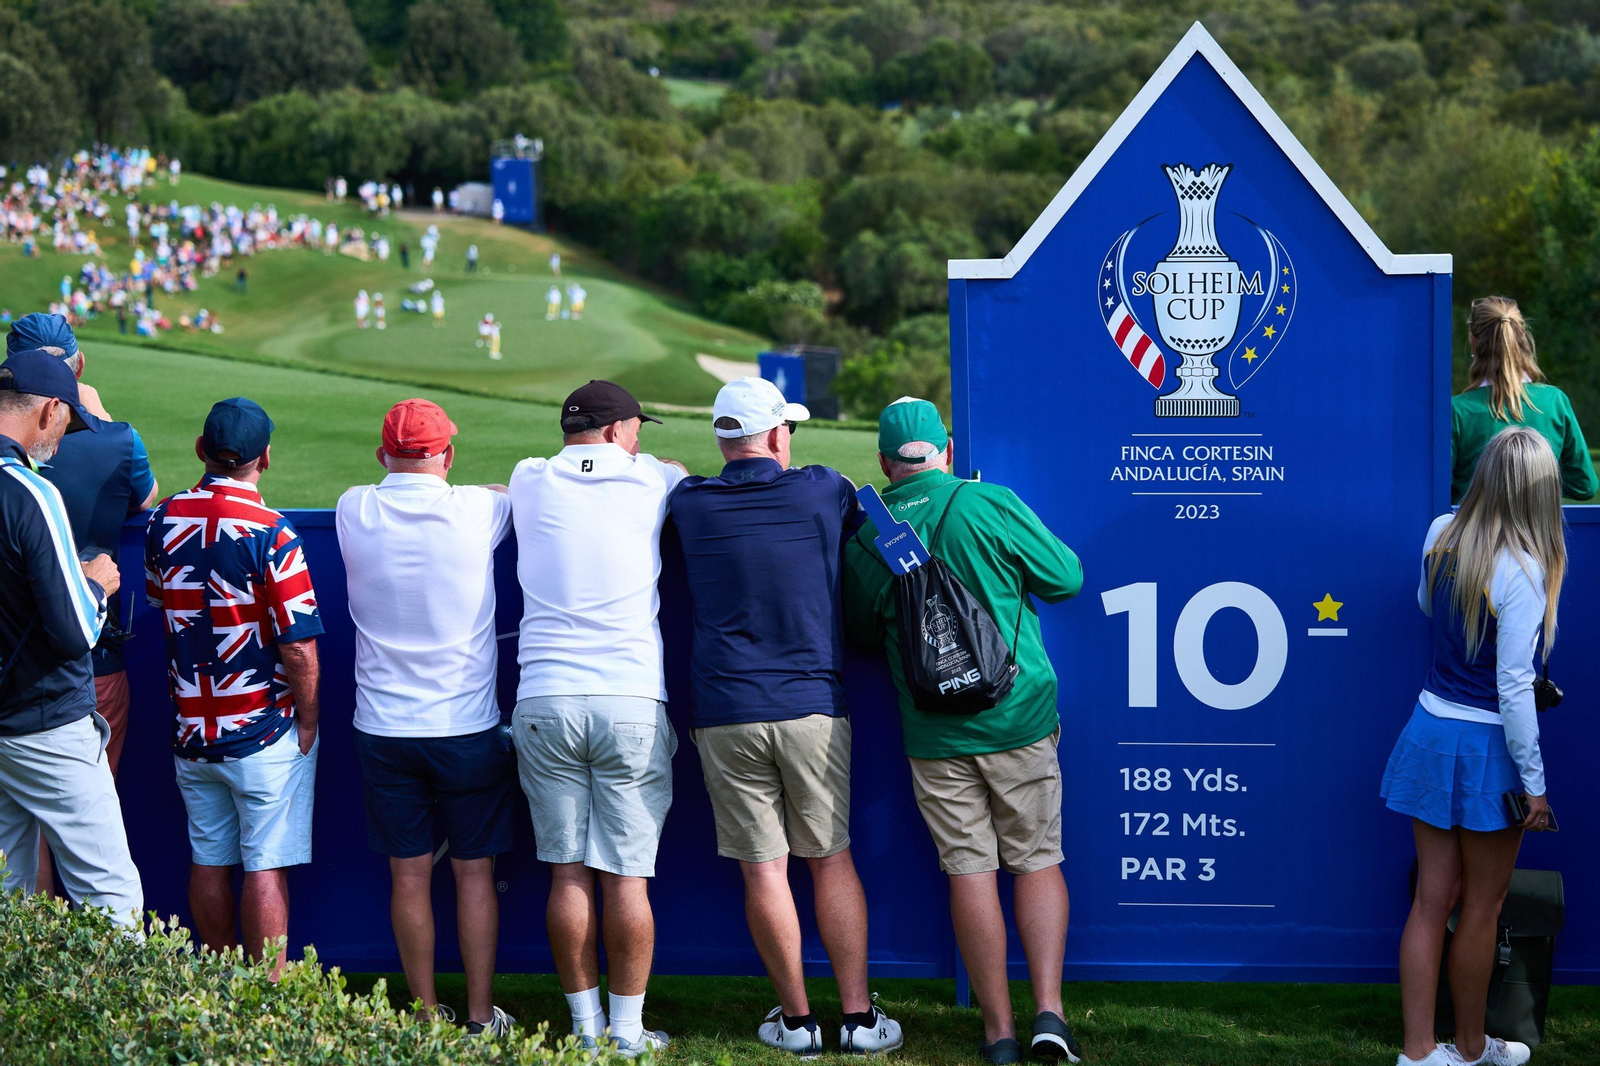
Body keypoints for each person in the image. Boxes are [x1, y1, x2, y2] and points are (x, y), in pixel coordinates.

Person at [841, 398, 1085, 1065]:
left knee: (969, 873)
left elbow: (862, 632)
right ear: (945, 448)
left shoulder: (869, 536)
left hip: (934, 736)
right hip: (1020, 720)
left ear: (887, 464)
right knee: (1037, 862)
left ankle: (997, 1034)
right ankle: (1050, 1017)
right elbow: (1067, 578)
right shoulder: (989, 503)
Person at [669, 377, 902, 1056]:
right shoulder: (821, 487)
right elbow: (874, 523)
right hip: (812, 709)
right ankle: (858, 1021)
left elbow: (678, 483)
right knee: (830, 860)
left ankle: (797, 1024)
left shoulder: (689, 503)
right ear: (777, 436)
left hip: (725, 711)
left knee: (764, 870)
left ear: (721, 438)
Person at [508, 380, 688, 1058]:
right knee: (627, 875)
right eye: (637, 426)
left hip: (545, 698)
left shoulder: (528, 479)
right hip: (629, 699)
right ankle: (628, 1032)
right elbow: (682, 477)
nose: (640, 436)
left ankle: (585, 1031)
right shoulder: (653, 480)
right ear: (617, 431)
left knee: (567, 872)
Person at [1382, 425, 1562, 1066]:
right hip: (1487, 745)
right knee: (1480, 906)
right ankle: (1469, 1048)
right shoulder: (1528, 569)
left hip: (1429, 728)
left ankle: (1418, 1053)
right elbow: (1514, 690)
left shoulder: (1440, 533)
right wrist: (1535, 786)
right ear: (1538, 493)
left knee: (1433, 900)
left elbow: (1429, 608)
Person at [336, 400, 517, 1037]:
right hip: (465, 727)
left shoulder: (352, 506)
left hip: (384, 728)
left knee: (408, 876)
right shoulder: (476, 507)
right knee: (474, 872)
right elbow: (502, 494)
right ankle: (476, 1015)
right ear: (446, 454)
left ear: (385, 453)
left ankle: (425, 1012)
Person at [144, 398, 323, 978]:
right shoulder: (273, 531)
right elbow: (298, 644)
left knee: (210, 860)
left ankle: (223, 993)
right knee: (264, 864)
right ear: (264, 458)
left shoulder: (162, 518)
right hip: (262, 727)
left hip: (191, 729)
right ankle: (264, 999)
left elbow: (158, 603)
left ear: (201, 449)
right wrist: (310, 720)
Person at [13, 316, 159, 894]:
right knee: (91, 838)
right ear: (76, 368)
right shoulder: (117, 440)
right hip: (88, 663)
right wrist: (92, 410)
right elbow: (145, 500)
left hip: (13, 666)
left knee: (20, 845)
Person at [1451, 296, 1595, 503]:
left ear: (1473, 340)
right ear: (1522, 336)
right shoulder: (1555, 401)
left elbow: (1438, 491)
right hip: (1540, 534)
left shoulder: (1456, 411)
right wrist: (1534, 491)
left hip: (1475, 534)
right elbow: (1584, 486)